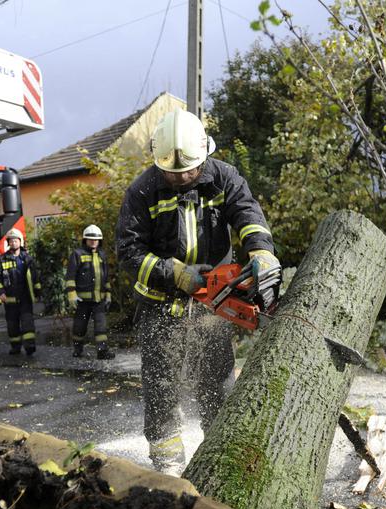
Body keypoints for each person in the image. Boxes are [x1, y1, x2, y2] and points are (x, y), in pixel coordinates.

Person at [115, 109, 281, 474]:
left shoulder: (223, 178)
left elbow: (247, 213)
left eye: (188, 170)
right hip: (161, 305)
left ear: (204, 155)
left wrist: (261, 252)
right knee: (162, 390)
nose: (181, 177)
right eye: (172, 172)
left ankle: (217, 460)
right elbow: (128, 252)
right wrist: (174, 274)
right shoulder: (142, 190)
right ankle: (169, 464)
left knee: (218, 384)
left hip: (215, 304)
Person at [66, 224, 115, 360]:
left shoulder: (102, 255)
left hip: (99, 300)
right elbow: (70, 277)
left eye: (96, 239)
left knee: (101, 327)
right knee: (79, 327)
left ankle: (102, 351)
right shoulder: (77, 254)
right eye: (90, 239)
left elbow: (106, 277)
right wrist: (72, 295)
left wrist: (108, 294)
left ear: (100, 241)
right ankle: (77, 349)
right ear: (85, 240)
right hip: (82, 301)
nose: (94, 242)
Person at [0, 228, 41, 355]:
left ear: (21, 242)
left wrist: (38, 292)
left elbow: (35, 277)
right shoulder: (1, 260)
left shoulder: (28, 259)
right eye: (11, 241)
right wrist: (0, 292)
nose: (13, 243)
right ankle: (15, 347)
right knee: (12, 325)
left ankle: (30, 346)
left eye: (16, 241)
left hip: (25, 298)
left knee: (27, 323)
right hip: (10, 299)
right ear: (8, 243)